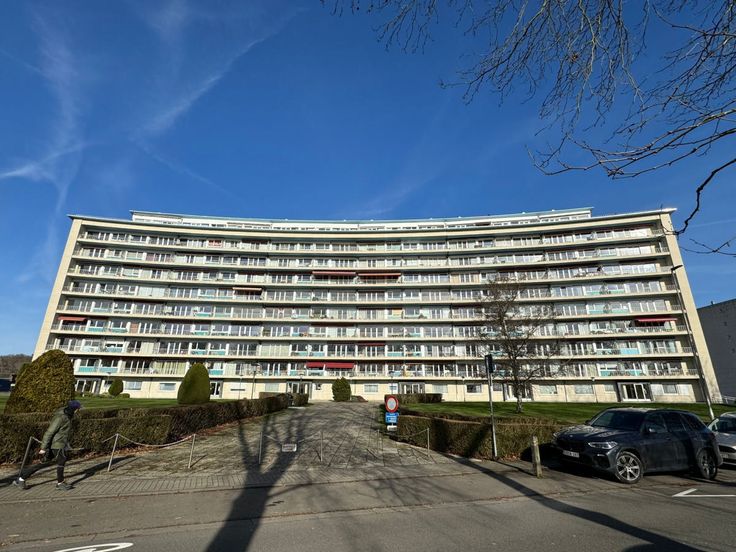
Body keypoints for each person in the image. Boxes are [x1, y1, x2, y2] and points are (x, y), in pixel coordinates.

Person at [13, 399, 82, 491]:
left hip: (59, 443)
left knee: (43, 463)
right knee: (62, 460)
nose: (78, 410)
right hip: (56, 444)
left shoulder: (68, 415)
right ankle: (60, 483)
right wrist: (43, 447)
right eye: (78, 409)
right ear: (74, 409)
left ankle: (21, 479)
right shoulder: (61, 418)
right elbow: (49, 432)